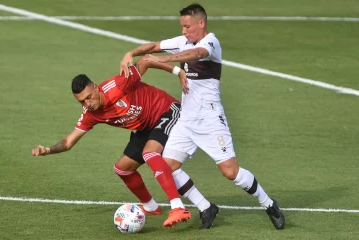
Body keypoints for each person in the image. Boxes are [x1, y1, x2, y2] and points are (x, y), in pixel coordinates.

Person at [120, 3, 285, 230]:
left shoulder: (211, 42)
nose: (184, 31)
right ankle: (206, 206)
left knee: (230, 172)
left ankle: (268, 203)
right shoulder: (182, 41)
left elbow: (197, 54)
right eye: (182, 27)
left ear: (201, 23)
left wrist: (167, 60)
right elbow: (155, 45)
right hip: (186, 121)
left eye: (187, 27)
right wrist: (131, 53)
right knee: (167, 166)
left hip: (210, 119)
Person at [31, 57, 195, 228]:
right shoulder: (90, 113)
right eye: (81, 101)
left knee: (149, 153)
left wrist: (178, 72)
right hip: (146, 127)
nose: (87, 104)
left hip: (167, 110)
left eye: (89, 97)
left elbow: (146, 61)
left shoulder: (117, 85)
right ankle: (150, 207)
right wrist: (47, 150)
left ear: (96, 88)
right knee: (122, 169)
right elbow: (68, 142)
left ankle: (178, 207)